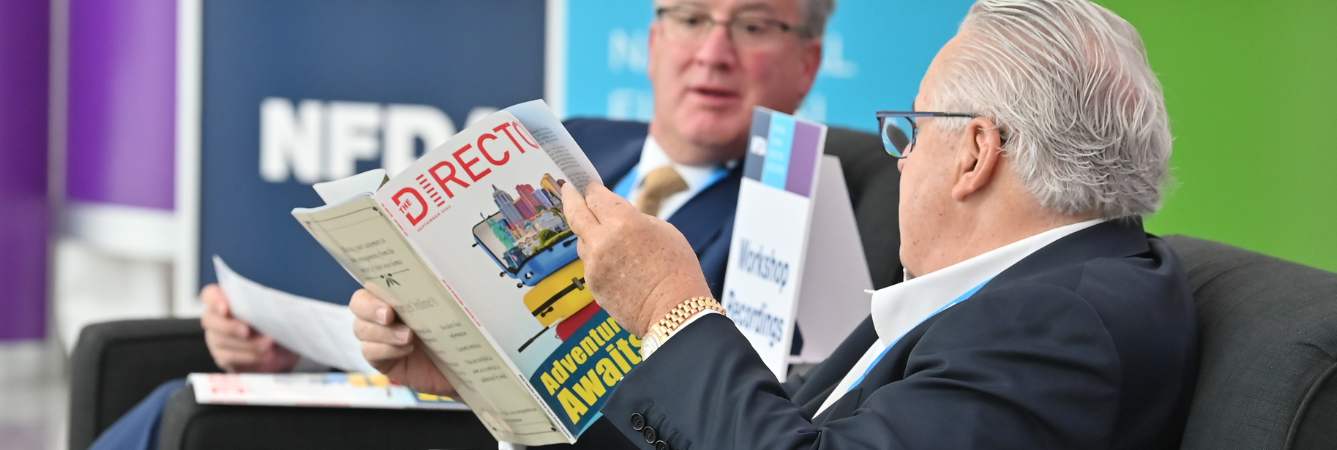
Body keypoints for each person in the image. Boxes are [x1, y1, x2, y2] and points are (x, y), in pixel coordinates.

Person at [353, 0, 1199, 448]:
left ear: (976, 152)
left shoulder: (1053, 321)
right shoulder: (1004, 298)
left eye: (911, 132)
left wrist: (673, 307)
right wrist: (492, 382)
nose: (898, 161)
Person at [90, 0, 902, 449]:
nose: (714, 52)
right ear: (654, 43)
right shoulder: (571, 140)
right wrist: (308, 342)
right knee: (180, 393)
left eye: (755, 25)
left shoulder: (807, 208)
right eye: (691, 18)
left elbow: (742, 406)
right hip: (412, 394)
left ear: (807, 65)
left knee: (179, 417)